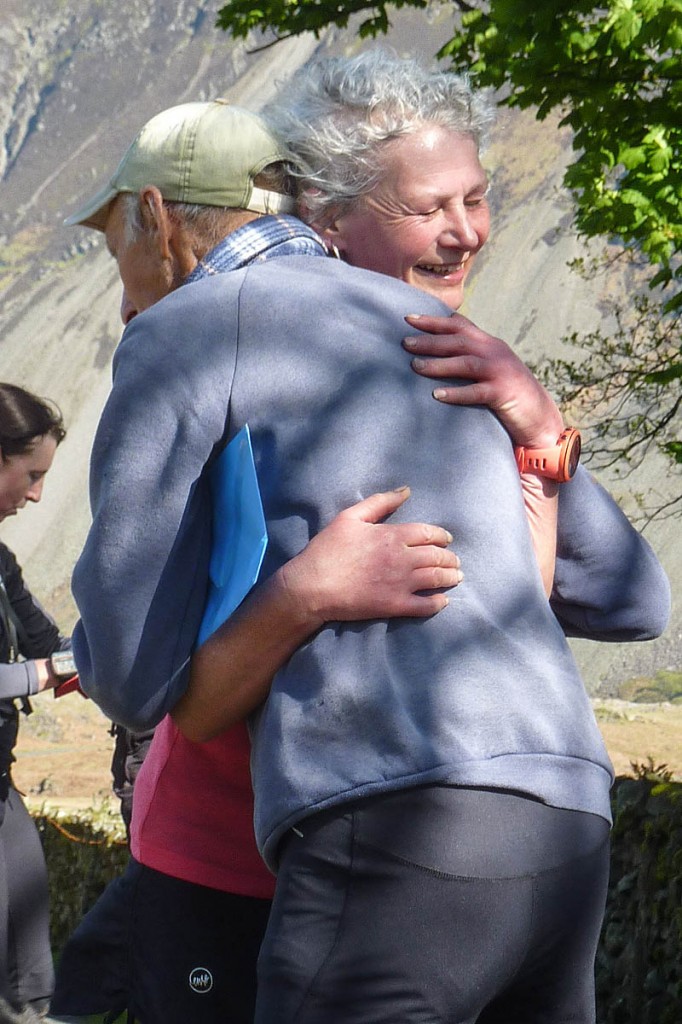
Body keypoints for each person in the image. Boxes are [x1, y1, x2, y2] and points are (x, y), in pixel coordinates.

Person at [59, 59, 668, 1024]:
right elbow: (629, 604)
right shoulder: (436, 340)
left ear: (156, 216)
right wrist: (309, 589)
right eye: (434, 207)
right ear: (324, 220)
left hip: (381, 821)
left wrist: (546, 436)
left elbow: (134, 679)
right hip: (562, 817)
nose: (465, 231)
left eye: (475, 199)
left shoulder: (199, 330)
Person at [0, 383, 76, 1023]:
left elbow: (50, 642)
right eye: (31, 475)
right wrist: (43, 673)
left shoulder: (0, 562)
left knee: (30, 972)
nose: (37, 495)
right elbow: (40, 663)